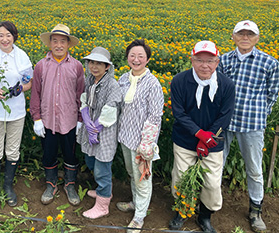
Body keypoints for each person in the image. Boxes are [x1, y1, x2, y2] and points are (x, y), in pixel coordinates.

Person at [217, 20, 279, 233]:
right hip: (225, 123)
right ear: (233, 36)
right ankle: (210, 203)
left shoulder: (269, 62)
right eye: (241, 34)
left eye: (250, 34)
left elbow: (273, 93)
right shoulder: (223, 60)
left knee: (253, 168)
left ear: (257, 38)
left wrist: (262, 112)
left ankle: (255, 210)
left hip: (253, 123)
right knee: (217, 163)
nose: (245, 38)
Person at [170, 41, 235, 232]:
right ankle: (181, 211)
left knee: (212, 183)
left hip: (214, 142)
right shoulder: (180, 81)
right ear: (192, 60)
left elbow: (226, 115)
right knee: (181, 178)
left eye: (210, 60)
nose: (204, 65)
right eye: (199, 60)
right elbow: (179, 113)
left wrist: (208, 138)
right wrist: (198, 134)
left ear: (217, 62)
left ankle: (205, 216)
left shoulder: (226, 85)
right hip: (184, 140)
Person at [0, 21, 33, 207]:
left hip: (16, 112)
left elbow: (29, 82)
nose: (4, 39)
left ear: (14, 37)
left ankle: (8, 187)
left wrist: (19, 89)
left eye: (8, 35)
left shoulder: (22, 56)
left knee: (12, 150)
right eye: (1, 35)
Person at [30, 23, 84, 206]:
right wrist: (36, 118)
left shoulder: (77, 67)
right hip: (48, 120)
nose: (59, 45)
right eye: (55, 41)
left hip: (69, 120)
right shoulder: (41, 66)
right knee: (48, 153)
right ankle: (51, 184)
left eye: (63, 41)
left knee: (70, 154)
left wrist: (80, 120)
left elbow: (80, 95)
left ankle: (70, 185)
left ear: (68, 44)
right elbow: (35, 93)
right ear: (50, 43)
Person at [116, 39, 164, 232]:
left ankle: (139, 217)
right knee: (132, 173)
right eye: (132, 55)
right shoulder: (123, 79)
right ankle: (136, 203)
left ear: (147, 59)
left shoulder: (153, 84)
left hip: (142, 141)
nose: (136, 59)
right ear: (127, 57)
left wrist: (147, 143)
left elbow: (155, 115)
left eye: (140, 56)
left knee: (142, 178)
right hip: (125, 137)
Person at [77, 47, 122, 219]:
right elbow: (84, 99)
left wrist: (96, 127)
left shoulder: (112, 84)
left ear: (107, 67)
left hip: (104, 131)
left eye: (99, 63)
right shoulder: (90, 79)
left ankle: (103, 204)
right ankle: (104, 191)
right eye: (91, 62)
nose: (94, 66)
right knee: (90, 160)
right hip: (91, 129)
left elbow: (111, 109)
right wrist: (87, 120)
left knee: (102, 167)